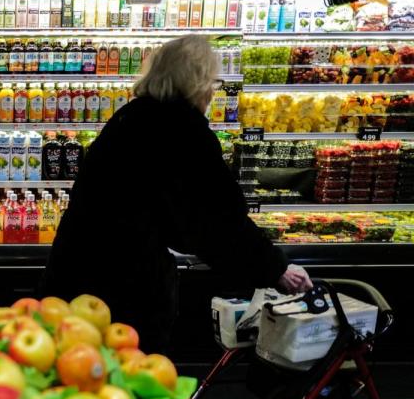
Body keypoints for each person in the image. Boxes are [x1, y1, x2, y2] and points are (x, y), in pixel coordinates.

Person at [39, 35, 311, 352]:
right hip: (123, 289)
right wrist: (276, 269)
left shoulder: (131, 116)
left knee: (72, 371)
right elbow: (217, 221)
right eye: (213, 81)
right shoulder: (183, 130)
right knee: (126, 380)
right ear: (196, 82)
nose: (212, 91)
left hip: (74, 272)